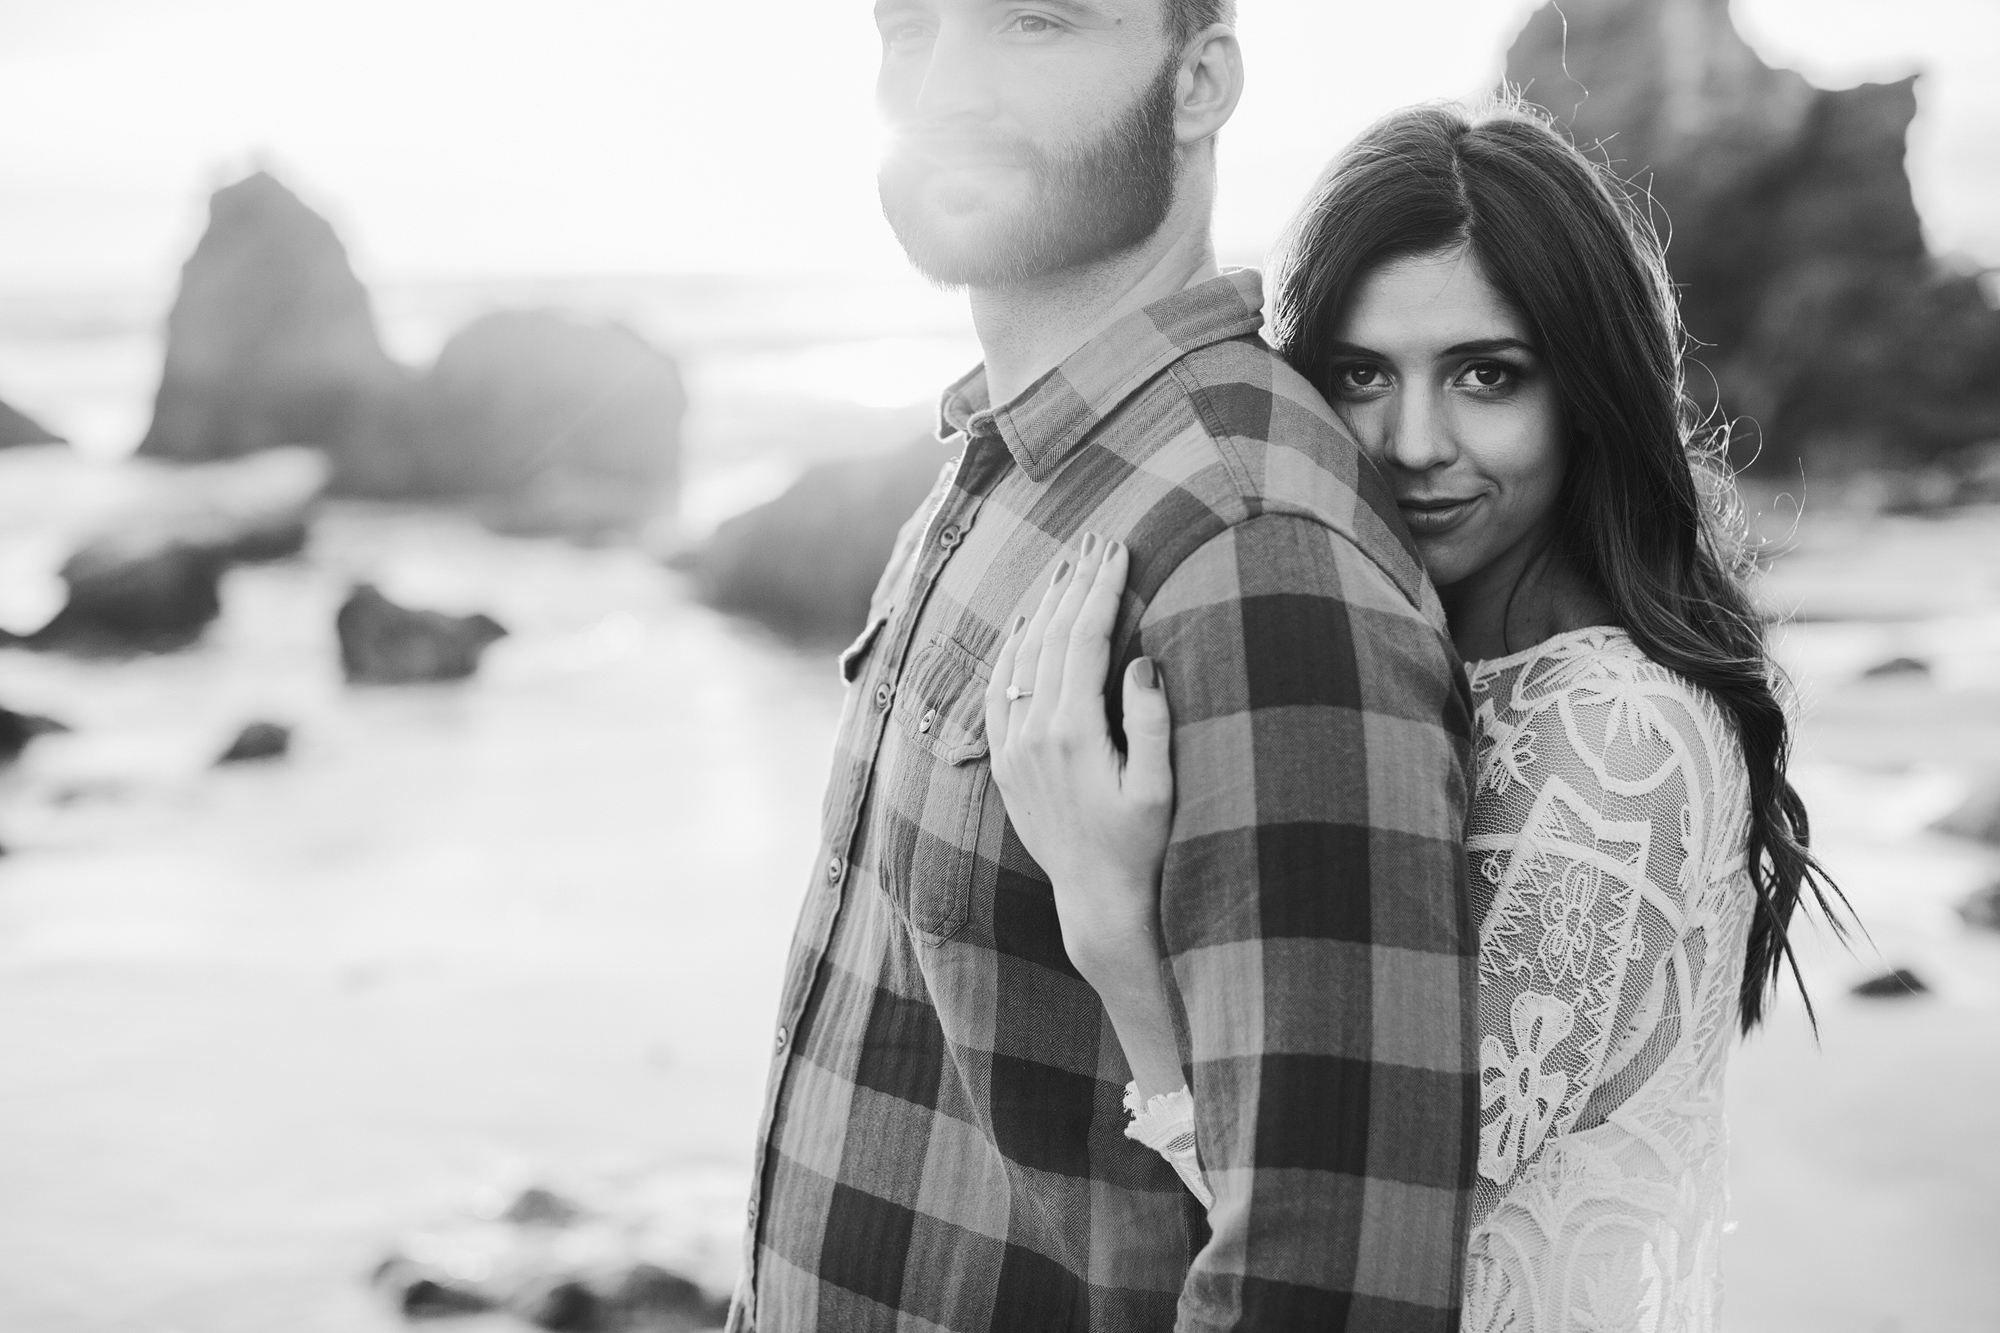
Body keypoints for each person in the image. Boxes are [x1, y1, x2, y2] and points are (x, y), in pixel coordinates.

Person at [986, 101, 1847, 1332]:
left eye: (1486, 375)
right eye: (1359, 375)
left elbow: (1360, 1234)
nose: (1413, 444)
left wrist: (1108, 920)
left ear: (1589, 391)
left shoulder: (1610, 741)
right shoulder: (1419, 659)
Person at [731, 3, 1479, 1330]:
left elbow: (1326, 1284)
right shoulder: (1002, 467)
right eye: (909, 30)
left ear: (1199, 83)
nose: (943, 87)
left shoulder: (1250, 554)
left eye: (1038, 22)